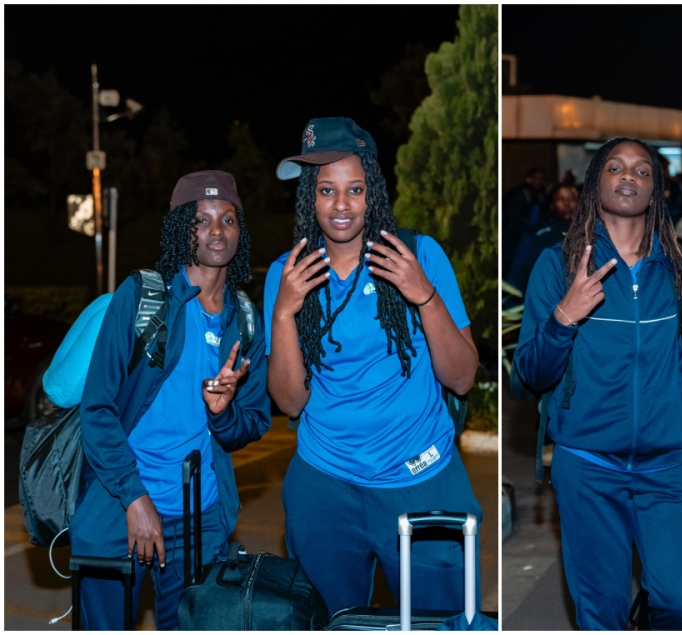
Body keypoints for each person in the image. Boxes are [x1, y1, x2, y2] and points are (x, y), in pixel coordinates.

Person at [265, 117, 482, 615]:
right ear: (309, 197)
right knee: (331, 622)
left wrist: (422, 293)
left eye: (355, 189)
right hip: (325, 483)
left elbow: (463, 377)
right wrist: (283, 312)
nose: (341, 205)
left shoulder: (418, 254)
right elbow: (290, 400)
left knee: (439, 623)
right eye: (326, 191)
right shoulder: (287, 272)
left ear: (374, 192)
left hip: (420, 477)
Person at [514, 137, 682, 630]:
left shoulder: (681, 272)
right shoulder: (559, 265)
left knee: (677, 602)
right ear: (596, 184)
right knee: (601, 613)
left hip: (669, 467)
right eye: (615, 167)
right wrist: (563, 318)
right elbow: (529, 373)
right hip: (588, 466)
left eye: (641, 170)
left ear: (656, 189)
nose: (628, 176)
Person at [71, 171, 271, 630]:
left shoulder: (245, 320)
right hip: (121, 510)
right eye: (201, 220)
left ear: (240, 229)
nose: (216, 231)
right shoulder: (144, 297)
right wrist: (134, 497)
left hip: (199, 522)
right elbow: (97, 408)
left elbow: (254, 422)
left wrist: (222, 415)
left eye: (228, 219)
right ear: (183, 230)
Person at [507, 183, 579, 293]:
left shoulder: (591, 234)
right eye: (560, 199)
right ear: (551, 206)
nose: (567, 203)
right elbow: (516, 280)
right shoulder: (536, 237)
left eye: (572, 199)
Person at [502, 167, 547, 278]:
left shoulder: (541, 196)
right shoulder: (517, 195)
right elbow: (513, 220)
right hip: (513, 241)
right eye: (536, 178)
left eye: (541, 179)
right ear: (528, 179)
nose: (539, 182)